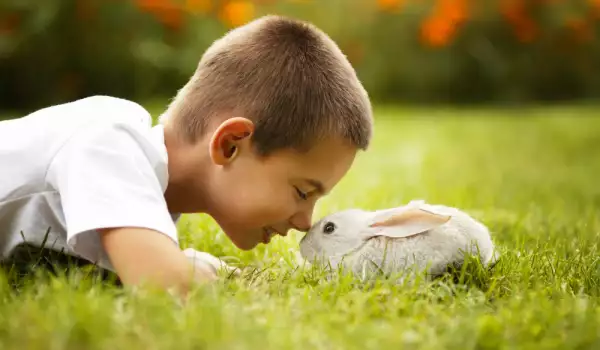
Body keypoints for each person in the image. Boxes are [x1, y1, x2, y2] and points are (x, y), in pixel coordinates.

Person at [0, 15, 373, 296]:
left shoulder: (147, 200)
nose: (306, 222)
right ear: (230, 144)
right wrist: (190, 271)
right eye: (303, 192)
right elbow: (161, 287)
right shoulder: (109, 139)